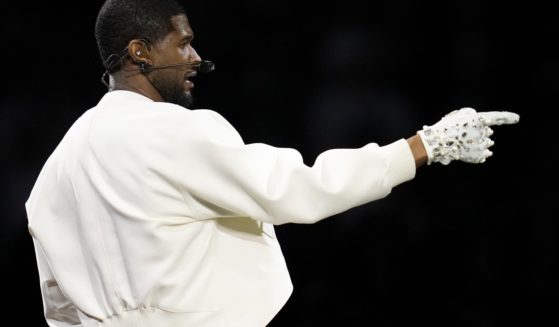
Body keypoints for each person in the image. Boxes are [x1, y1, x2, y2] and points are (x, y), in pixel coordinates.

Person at [25, 0, 519, 326]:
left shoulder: (57, 166)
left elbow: (58, 304)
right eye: (183, 42)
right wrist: (426, 144)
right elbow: (298, 189)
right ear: (140, 53)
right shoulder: (173, 131)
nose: (196, 56)